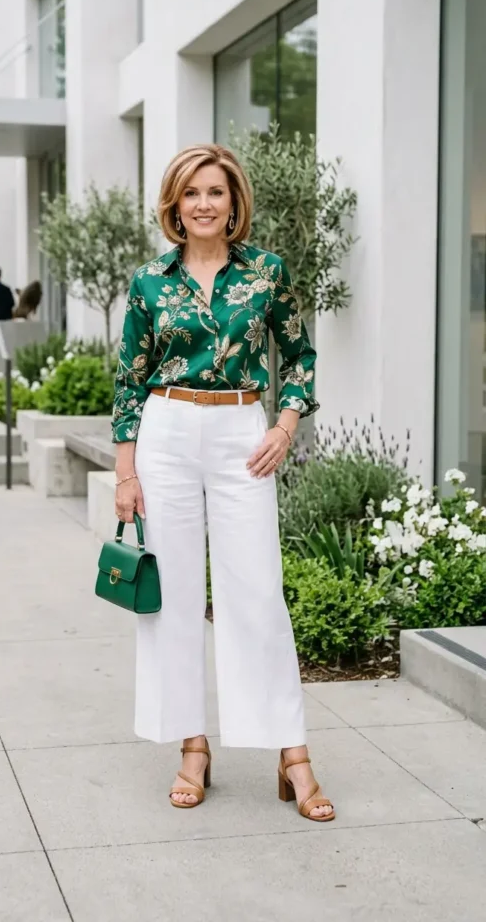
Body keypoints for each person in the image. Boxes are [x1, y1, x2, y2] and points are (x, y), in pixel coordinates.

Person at [112, 144, 335, 819]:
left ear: (234, 202)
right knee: (172, 597)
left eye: (216, 191)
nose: (204, 203)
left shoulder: (267, 273)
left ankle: (291, 753)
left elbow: (299, 356)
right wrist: (125, 470)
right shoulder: (150, 282)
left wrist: (286, 425)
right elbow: (129, 378)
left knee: (259, 594)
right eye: (192, 193)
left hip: (244, 435)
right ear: (174, 205)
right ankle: (192, 747)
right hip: (167, 433)